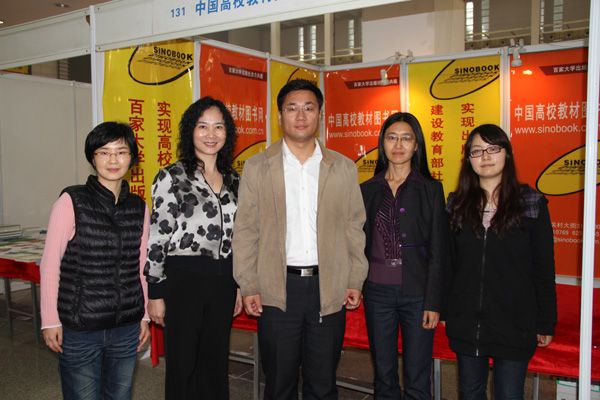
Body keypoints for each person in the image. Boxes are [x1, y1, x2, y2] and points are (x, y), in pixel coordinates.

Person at [233, 79, 368, 399]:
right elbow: (246, 230)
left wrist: (355, 278)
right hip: (276, 288)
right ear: (280, 116)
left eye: (309, 107)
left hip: (329, 286)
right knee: (279, 382)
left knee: (323, 383)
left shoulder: (343, 167)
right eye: (292, 108)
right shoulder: (257, 167)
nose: (301, 115)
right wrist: (248, 284)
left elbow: (354, 226)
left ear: (320, 114)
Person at [445, 124, 557, 400]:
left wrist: (546, 321)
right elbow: (449, 264)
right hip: (468, 321)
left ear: (507, 153)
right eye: (477, 151)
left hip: (515, 321)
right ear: (468, 159)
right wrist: (446, 309)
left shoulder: (530, 203)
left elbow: (544, 268)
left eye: (493, 148)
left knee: (509, 393)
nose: (485, 156)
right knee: (470, 391)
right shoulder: (456, 204)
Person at [40, 121, 150, 399]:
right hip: (80, 327)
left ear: (132, 158)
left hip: (126, 326)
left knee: (119, 396)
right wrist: (49, 320)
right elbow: (51, 264)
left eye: (121, 152)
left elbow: (141, 267)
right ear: (93, 157)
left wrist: (144, 315)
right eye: (104, 152)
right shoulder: (71, 200)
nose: (113, 160)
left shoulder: (139, 207)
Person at [144, 96, 242, 399]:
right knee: (183, 364)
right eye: (203, 126)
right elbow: (157, 237)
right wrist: (155, 293)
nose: (211, 134)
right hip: (183, 282)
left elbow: (241, 236)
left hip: (224, 282)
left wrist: (240, 284)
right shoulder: (172, 176)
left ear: (227, 133)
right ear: (191, 131)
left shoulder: (234, 179)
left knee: (215, 363)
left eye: (218, 127)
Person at [360, 112, 449, 399]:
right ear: (382, 143)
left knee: (418, 374)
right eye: (392, 137)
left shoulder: (431, 189)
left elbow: (440, 250)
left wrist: (434, 302)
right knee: (383, 374)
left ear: (416, 145)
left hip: (418, 294)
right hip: (377, 292)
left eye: (406, 138)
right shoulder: (367, 190)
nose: (398, 145)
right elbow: (358, 243)